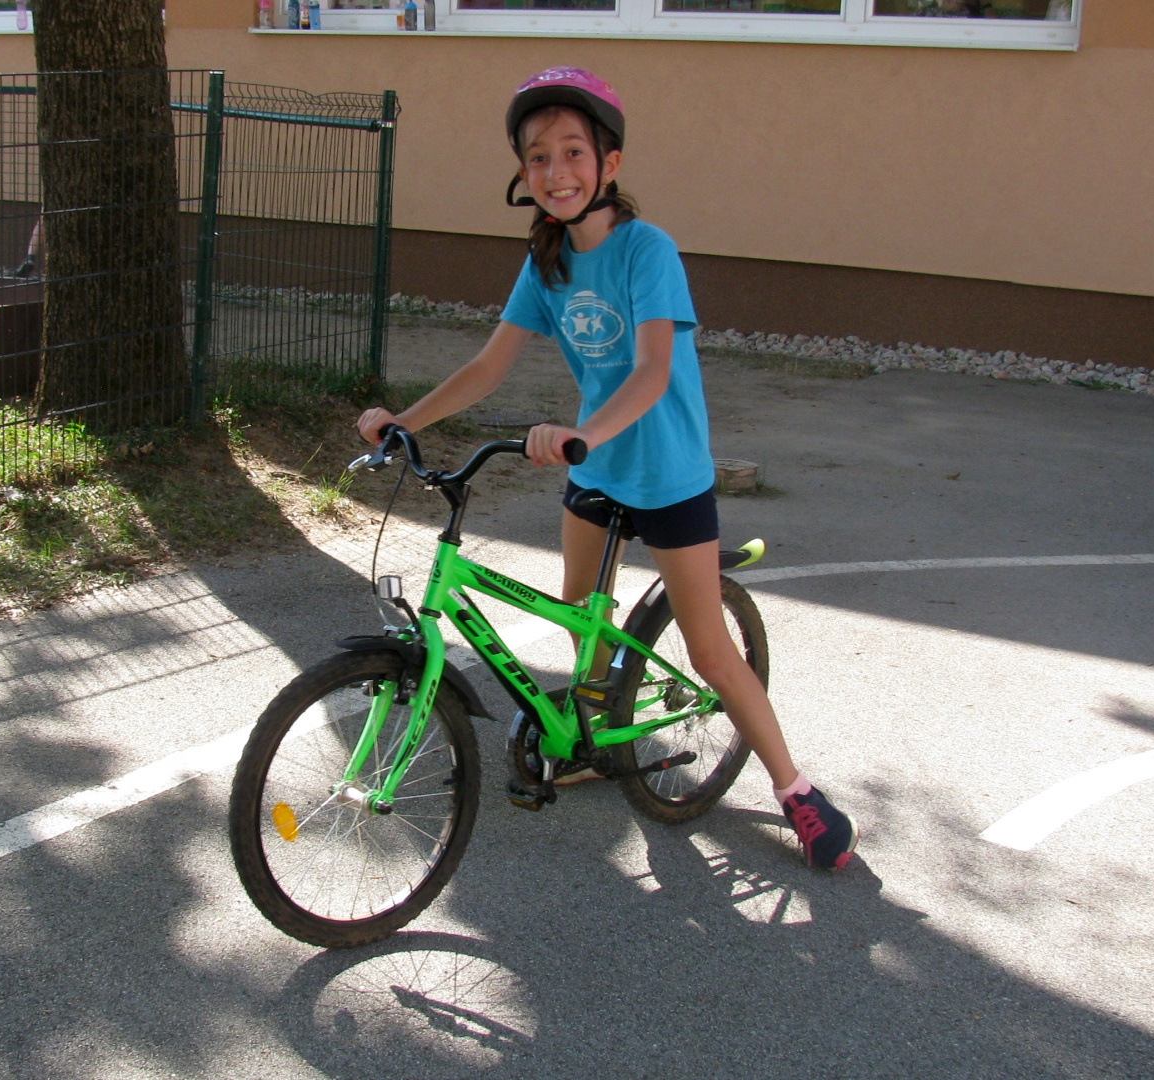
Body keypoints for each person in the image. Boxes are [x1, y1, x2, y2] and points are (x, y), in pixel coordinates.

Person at [354, 67, 859, 870]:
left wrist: (580, 433)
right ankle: (594, 740)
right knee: (577, 614)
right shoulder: (547, 261)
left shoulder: (646, 251)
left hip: (668, 474)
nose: (555, 171)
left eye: (572, 153)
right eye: (537, 157)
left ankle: (795, 790)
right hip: (596, 469)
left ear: (609, 164)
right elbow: (489, 367)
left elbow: (653, 371)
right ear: (522, 174)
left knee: (709, 653)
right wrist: (402, 423)